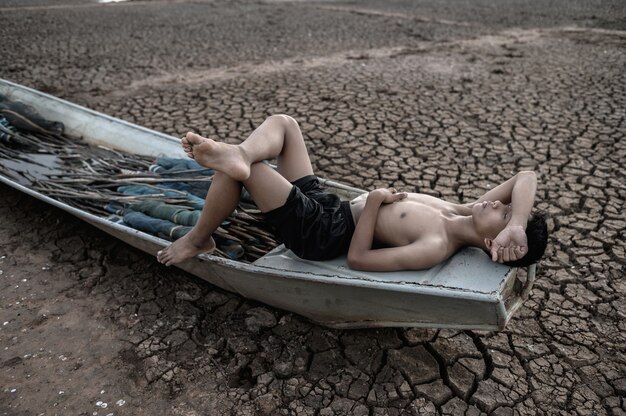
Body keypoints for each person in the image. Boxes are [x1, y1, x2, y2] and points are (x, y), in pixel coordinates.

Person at [157, 115, 548, 271]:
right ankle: (240, 154)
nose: (498, 202)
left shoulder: (436, 244)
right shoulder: (457, 209)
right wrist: (514, 222)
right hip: (332, 208)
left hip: (322, 234)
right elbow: (525, 176)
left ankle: (197, 238)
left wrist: (375, 202)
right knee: (286, 125)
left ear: (491, 242)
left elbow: (359, 259)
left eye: (503, 212)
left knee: (243, 174)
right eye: (508, 208)